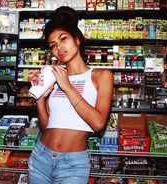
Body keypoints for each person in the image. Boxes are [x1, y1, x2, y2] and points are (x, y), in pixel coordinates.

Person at [28, 6, 114, 184]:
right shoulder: (53, 76)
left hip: (73, 164)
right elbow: (46, 127)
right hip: (40, 157)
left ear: (77, 39)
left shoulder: (101, 76)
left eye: (63, 39)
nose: (59, 48)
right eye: (53, 45)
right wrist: (40, 99)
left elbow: (98, 123)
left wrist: (67, 86)